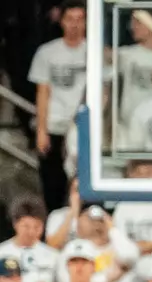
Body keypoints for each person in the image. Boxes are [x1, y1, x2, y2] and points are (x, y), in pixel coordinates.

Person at [29, 1, 88, 212]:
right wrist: (41, 131)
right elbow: (42, 92)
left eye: (80, 19)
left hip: (83, 128)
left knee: (83, 183)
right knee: (53, 186)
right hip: (54, 126)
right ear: (61, 21)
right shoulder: (47, 52)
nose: (75, 24)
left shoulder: (94, 51)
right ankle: (54, 225)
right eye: (70, 19)